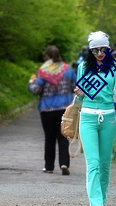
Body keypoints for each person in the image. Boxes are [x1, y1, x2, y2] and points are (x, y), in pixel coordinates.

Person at [74, 31, 116, 206]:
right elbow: (80, 96)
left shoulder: (115, 67)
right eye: (95, 50)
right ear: (90, 50)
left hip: (109, 118)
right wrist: (79, 92)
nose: (99, 53)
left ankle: (101, 201)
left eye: (102, 49)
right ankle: (96, 204)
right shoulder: (83, 67)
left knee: (105, 164)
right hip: (87, 117)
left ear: (108, 48)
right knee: (93, 163)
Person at [28, 45, 76, 175]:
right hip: (64, 109)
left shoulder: (43, 71)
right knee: (63, 136)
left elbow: (36, 90)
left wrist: (31, 83)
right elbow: (75, 87)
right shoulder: (68, 70)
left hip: (47, 109)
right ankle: (64, 163)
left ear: (47, 57)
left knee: (49, 138)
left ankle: (49, 167)